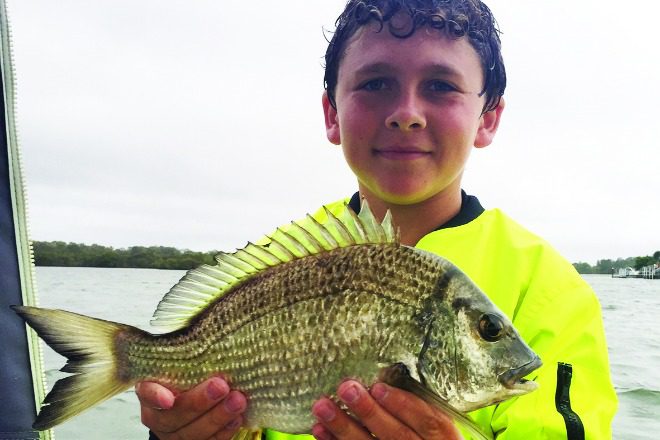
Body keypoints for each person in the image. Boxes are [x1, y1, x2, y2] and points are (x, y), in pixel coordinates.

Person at [137, 0, 618, 439]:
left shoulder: (551, 292)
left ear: (487, 117)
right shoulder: (282, 259)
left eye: (440, 86)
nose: (406, 113)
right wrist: (176, 431)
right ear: (332, 114)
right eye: (376, 84)